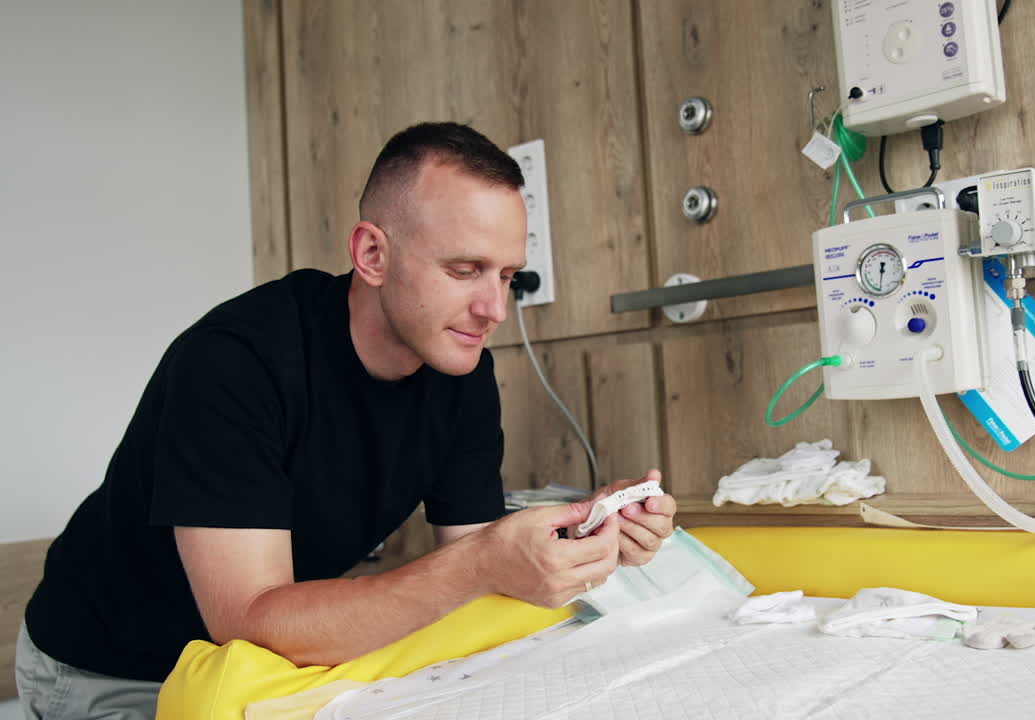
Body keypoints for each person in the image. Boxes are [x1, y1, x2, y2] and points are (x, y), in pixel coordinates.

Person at [16, 121, 677, 720]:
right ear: (372, 255)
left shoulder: (461, 370)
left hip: (264, 657)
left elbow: (472, 553)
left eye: (507, 275)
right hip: (110, 666)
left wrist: (586, 529)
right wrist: (483, 564)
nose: (494, 308)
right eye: (465, 269)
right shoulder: (234, 362)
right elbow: (246, 621)